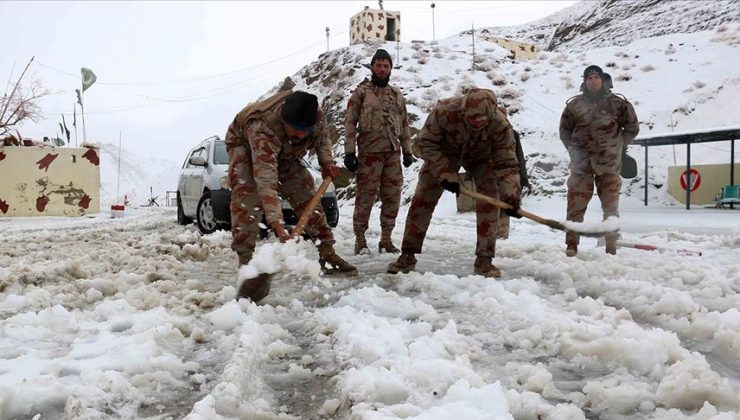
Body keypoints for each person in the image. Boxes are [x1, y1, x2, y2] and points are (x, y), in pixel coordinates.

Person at [225, 89, 358, 302]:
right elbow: (266, 181)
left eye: (303, 131)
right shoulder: (262, 128)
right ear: (284, 119)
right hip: (244, 146)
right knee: (247, 197)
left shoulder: (316, 116)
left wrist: (327, 162)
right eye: (294, 129)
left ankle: (327, 253)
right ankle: (247, 264)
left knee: (306, 193)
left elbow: (322, 139)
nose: (299, 135)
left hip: (285, 152)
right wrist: (278, 225)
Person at [387, 88, 521, 278]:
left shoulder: (500, 125)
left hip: (481, 157)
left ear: (490, 116)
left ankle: (484, 259)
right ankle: (408, 254)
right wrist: (445, 174)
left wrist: (512, 195)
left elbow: (507, 163)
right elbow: (426, 143)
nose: (474, 121)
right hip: (443, 153)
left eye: (479, 119)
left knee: (491, 198)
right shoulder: (444, 111)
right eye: (470, 117)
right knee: (423, 198)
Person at [559, 65, 639, 256]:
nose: (593, 81)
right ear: (584, 82)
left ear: (603, 80)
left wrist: (617, 146)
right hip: (581, 166)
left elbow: (632, 128)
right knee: (575, 207)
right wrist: (573, 151)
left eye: (596, 77)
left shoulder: (618, 104)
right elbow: (565, 132)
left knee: (610, 208)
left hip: (609, 164)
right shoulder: (574, 105)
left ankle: (611, 247)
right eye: (589, 78)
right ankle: (572, 246)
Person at [344, 49, 414, 255]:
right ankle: (360, 240)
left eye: (386, 65)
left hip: (392, 154)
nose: (382, 69)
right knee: (365, 197)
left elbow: (404, 123)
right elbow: (350, 122)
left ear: (390, 68)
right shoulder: (361, 93)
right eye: (378, 65)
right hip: (369, 155)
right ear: (372, 67)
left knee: (392, 196)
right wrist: (349, 153)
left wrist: (407, 151)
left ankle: (386, 239)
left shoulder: (397, 95)